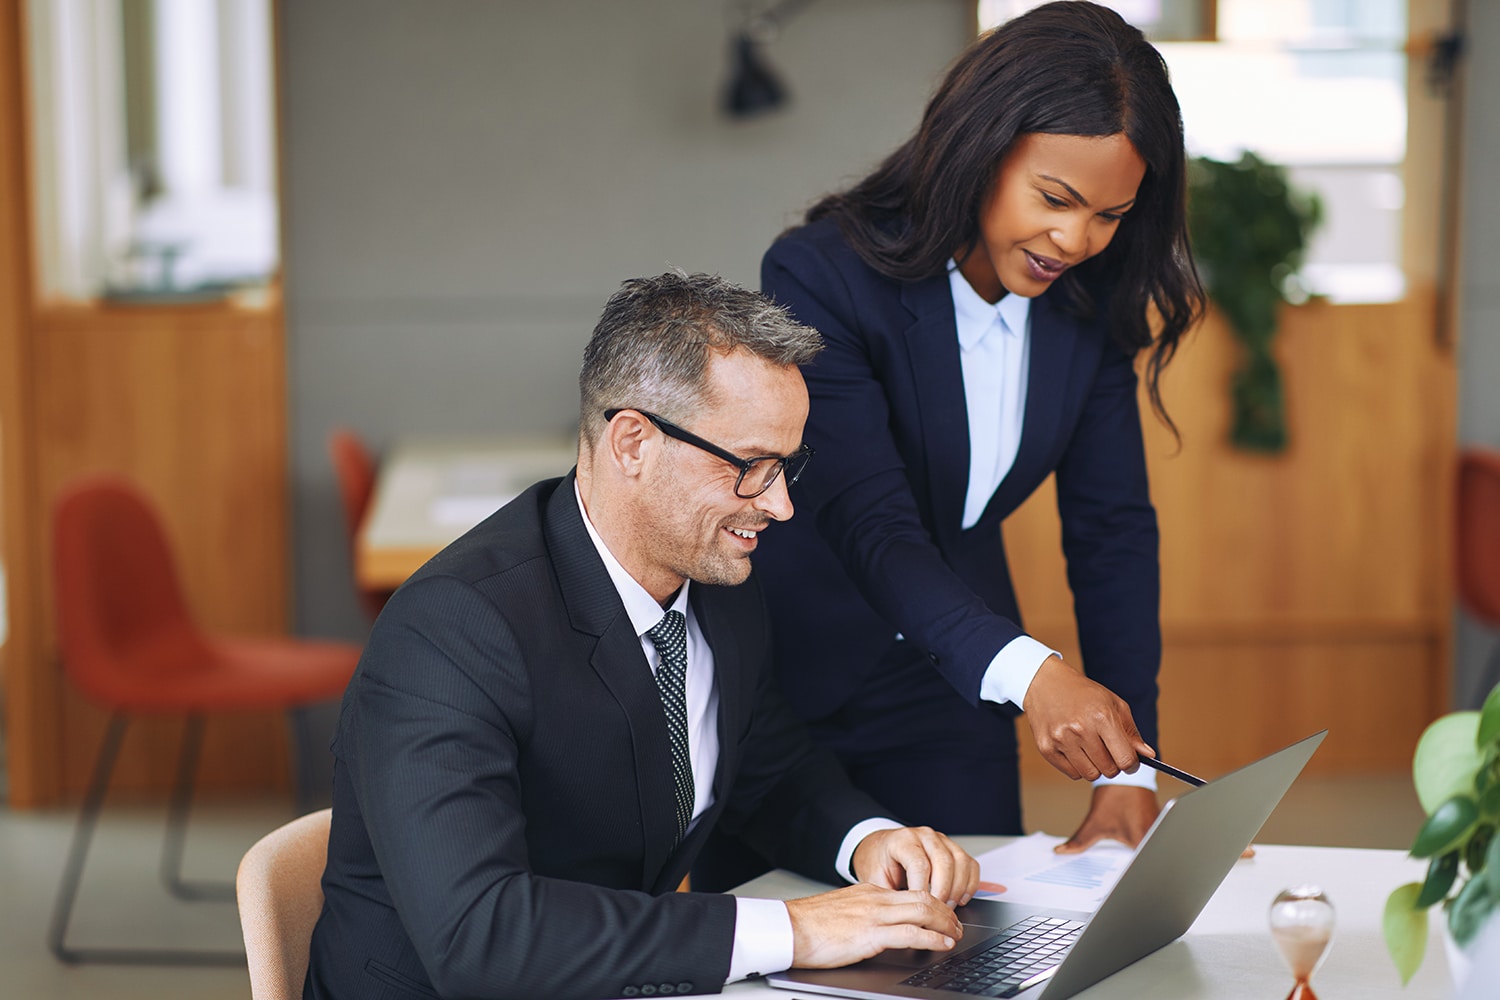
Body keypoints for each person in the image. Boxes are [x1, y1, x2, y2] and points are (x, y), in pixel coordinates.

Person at [303, 272, 983, 1000]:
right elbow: (482, 934)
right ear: (633, 443)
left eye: (787, 466)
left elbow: (769, 770)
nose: (781, 505)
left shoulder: (720, 588)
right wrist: (795, 931)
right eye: (751, 467)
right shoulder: (452, 629)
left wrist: (867, 842)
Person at [697, 2, 1206, 889]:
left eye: (1110, 215)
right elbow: (871, 519)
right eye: (1056, 199)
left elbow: (1111, 530)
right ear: (979, 148)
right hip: (794, 684)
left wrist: (1130, 766)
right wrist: (1036, 673)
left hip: (953, 690)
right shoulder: (822, 274)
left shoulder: (1089, 310)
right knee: (788, 947)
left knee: (969, 939)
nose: (1076, 240)